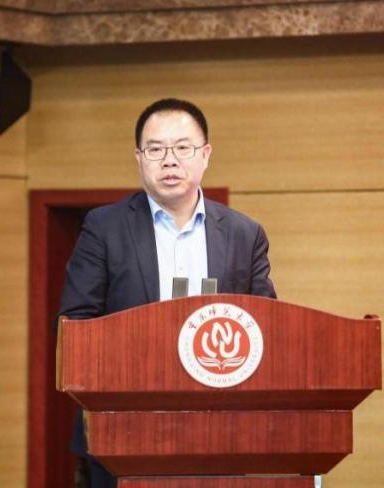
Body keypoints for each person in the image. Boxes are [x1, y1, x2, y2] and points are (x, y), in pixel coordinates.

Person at [57, 98, 277, 487]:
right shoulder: (104, 228)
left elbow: (266, 327)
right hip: (123, 431)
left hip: (219, 433)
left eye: (182, 148)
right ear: (139, 158)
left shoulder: (245, 234)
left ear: (205, 155)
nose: (169, 161)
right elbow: (76, 326)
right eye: (156, 149)